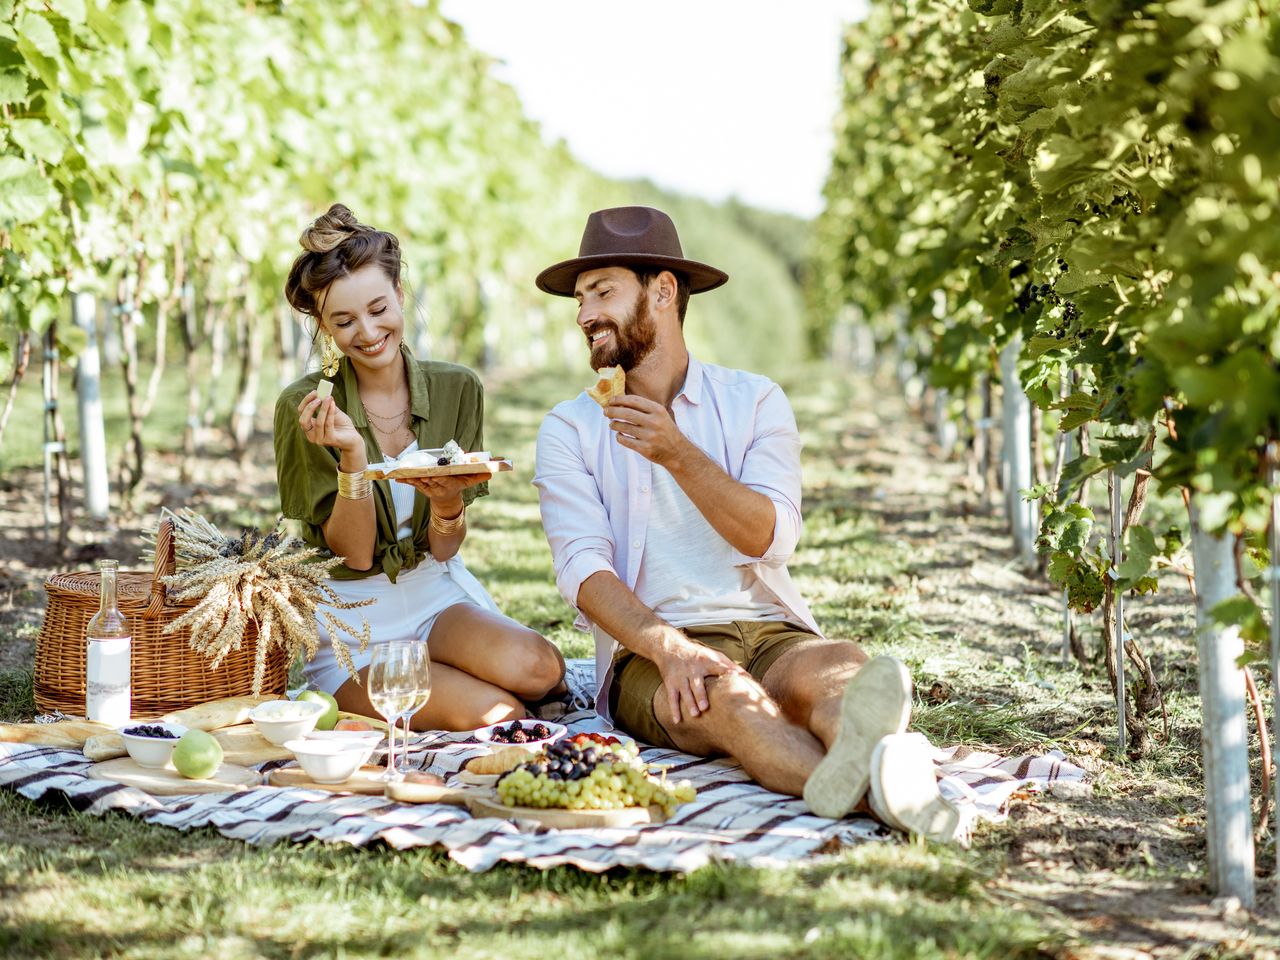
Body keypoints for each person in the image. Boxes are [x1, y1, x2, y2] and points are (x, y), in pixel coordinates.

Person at [532, 206, 960, 840]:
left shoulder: (754, 400)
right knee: (733, 706)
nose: (584, 314)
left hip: (772, 628)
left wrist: (675, 450)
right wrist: (671, 648)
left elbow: (771, 536)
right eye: (579, 299)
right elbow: (583, 573)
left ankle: (867, 768)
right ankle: (895, 797)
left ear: (664, 291)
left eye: (603, 291)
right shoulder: (570, 427)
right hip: (655, 646)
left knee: (842, 670)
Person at [274, 203, 565, 730]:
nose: (366, 332)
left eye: (378, 308)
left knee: (541, 667)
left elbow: (445, 546)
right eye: (343, 321)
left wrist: (448, 504)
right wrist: (352, 458)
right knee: (499, 714)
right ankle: (448, 686)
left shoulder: (458, 389)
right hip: (350, 620)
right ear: (323, 326)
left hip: (430, 592)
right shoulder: (306, 407)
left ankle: (454, 671)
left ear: (400, 295)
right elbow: (357, 556)